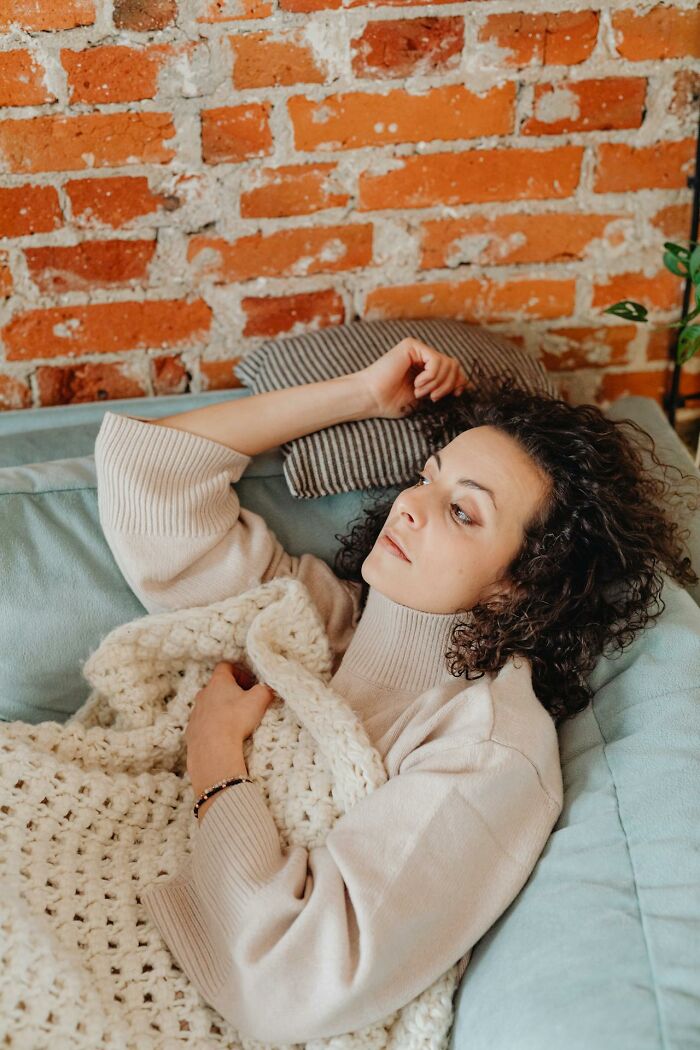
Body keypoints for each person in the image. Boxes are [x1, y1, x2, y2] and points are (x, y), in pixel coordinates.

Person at [93, 337, 698, 1044]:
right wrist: (362, 395)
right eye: (426, 477)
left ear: (525, 584)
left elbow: (288, 982)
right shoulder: (321, 619)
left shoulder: (485, 748)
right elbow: (145, 474)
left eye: (463, 512)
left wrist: (214, 755)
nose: (409, 505)